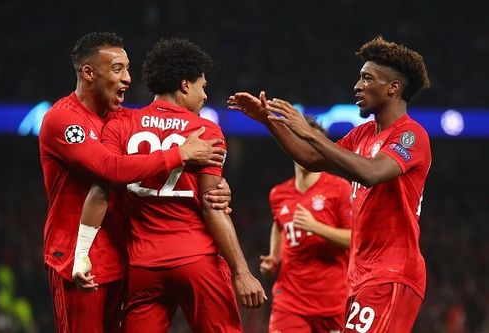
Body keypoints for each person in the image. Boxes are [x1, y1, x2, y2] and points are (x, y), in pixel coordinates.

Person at [228, 36, 431, 333]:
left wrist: (310, 133)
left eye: (366, 78)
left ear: (393, 87)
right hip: (361, 274)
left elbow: (372, 173)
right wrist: (269, 122)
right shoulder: (362, 134)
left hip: (391, 272)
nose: (357, 86)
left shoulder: (411, 135)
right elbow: (311, 158)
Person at [39, 32, 231, 333]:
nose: (128, 78)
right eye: (117, 69)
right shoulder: (64, 121)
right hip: (80, 257)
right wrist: (179, 154)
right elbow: (110, 168)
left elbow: (153, 157)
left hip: (123, 254)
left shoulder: (121, 120)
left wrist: (214, 185)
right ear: (88, 73)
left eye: (128, 68)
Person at [73, 38, 266, 332]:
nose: (204, 96)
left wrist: (82, 254)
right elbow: (213, 205)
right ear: (185, 85)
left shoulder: (121, 124)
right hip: (197, 261)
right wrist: (242, 272)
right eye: (203, 86)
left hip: (144, 265)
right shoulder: (206, 130)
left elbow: (101, 191)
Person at [260, 116, 352, 333]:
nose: (307, 151)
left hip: (332, 304)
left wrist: (315, 227)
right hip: (290, 304)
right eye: (301, 143)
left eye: (313, 145)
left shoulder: (339, 189)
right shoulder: (278, 194)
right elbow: (278, 226)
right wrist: (274, 258)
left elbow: (354, 238)